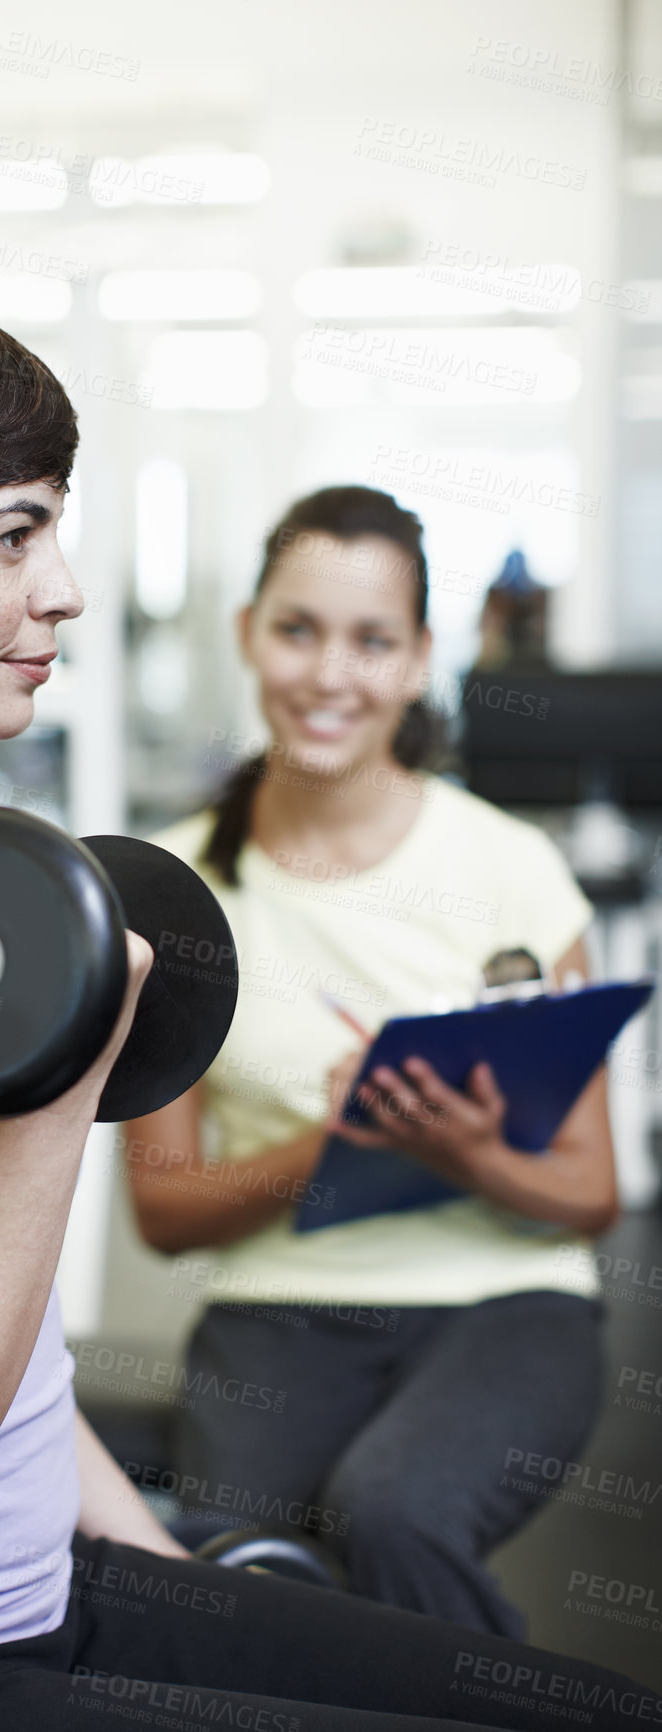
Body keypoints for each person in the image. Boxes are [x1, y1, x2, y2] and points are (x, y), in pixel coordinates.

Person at [0, 302, 651, 1732]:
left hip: (37, 1592)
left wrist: (176, 1572)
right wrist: (62, 1086)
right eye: (12, 536)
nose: (66, 590)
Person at [128, 485, 618, 1641]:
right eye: (296, 630)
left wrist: (455, 1146)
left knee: (391, 1514)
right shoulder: (171, 891)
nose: (327, 675)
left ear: (417, 662)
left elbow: (588, 1197)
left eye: (370, 640)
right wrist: (331, 1147)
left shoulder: (510, 871)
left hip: (501, 1301)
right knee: (249, 1567)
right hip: (276, 1317)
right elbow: (162, 1207)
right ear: (248, 632)